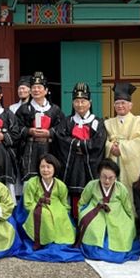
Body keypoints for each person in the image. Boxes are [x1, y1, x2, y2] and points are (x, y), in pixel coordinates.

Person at [15, 154, 83, 262]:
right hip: (37, 207)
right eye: (42, 166)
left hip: (57, 208)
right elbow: (28, 203)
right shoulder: (32, 182)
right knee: (44, 215)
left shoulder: (60, 185)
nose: (45, 170)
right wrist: (38, 210)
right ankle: (44, 241)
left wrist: (61, 212)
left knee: (61, 216)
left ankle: (58, 240)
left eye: (48, 167)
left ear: (54, 168)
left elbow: (65, 204)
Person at [76, 159, 140, 263]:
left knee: (121, 230)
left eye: (111, 178)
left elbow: (128, 207)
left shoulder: (121, 188)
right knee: (93, 229)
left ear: (116, 177)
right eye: (104, 177)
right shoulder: (91, 185)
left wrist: (130, 222)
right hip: (95, 214)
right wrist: (83, 214)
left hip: (116, 215)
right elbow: (82, 202)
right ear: (99, 174)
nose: (107, 181)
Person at [57, 83, 107, 218]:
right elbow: (61, 139)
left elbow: (99, 142)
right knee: (72, 196)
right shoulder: (67, 121)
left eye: (83, 101)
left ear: (90, 103)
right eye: (76, 101)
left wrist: (79, 145)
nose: (80, 105)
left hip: (89, 164)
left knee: (91, 192)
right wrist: (79, 144)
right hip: (72, 165)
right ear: (72, 103)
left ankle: (89, 221)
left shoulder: (97, 122)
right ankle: (73, 222)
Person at [15, 72, 65, 184]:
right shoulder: (23, 109)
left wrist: (50, 133)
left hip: (49, 147)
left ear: (46, 90)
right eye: (33, 87)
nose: (36, 90)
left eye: (39, 87)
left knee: (48, 175)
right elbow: (16, 128)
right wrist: (29, 131)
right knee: (30, 181)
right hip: (29, 149)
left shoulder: (55, 110)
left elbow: (61, 128)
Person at [104, 83, 140, 195]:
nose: (120, 106)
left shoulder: (138, 121)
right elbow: (102, 141)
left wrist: (121, 148)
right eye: (117, 103)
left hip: (131, 166)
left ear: (130, 105)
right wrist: (110, 146)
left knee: (131, 194)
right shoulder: (107, 123)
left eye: (123, 103)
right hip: (113, 161)